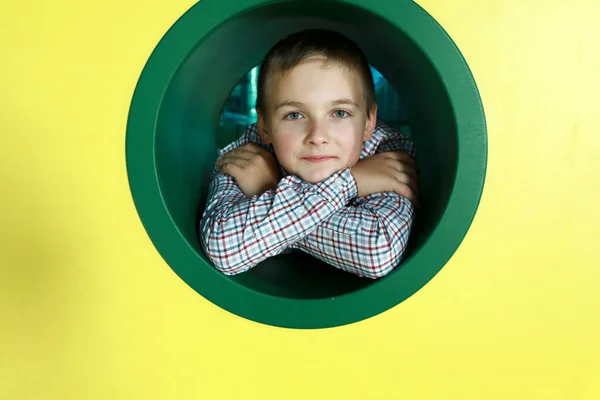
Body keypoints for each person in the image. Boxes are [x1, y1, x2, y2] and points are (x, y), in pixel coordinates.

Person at [199, 29, 419, 279]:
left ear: (369, 121)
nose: (317, 136)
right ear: (264, 126)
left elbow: (378, 253)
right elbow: (224, 249)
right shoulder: (251, 151)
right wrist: (350, 183)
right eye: (294, 115)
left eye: (339, 113)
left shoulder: (387, 151)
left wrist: (268, 188)